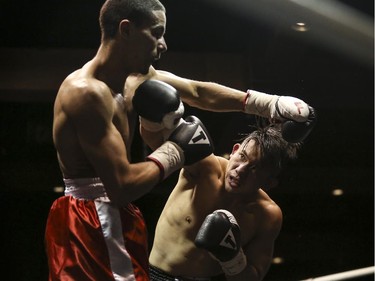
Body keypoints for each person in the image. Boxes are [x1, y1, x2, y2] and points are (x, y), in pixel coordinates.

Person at [45, 0, 314, 280]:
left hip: (115, 213)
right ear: (126, 30)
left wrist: (267, 103)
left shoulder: (135, 79)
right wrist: (176, 150)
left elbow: (198, 92)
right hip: (92, 215)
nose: (163, 45)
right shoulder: (87, 93)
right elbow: (121, 187)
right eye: (156, 32)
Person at [132, 80, 316, 281]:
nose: (241, 170)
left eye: (255, 169)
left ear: (269, 182)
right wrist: (150, 117)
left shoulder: (267, 215)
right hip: (153, 275)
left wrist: (233, 258)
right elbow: (154, 138)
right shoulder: (206, 167)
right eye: (243, 158)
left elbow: (254, 276)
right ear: (235, 150)